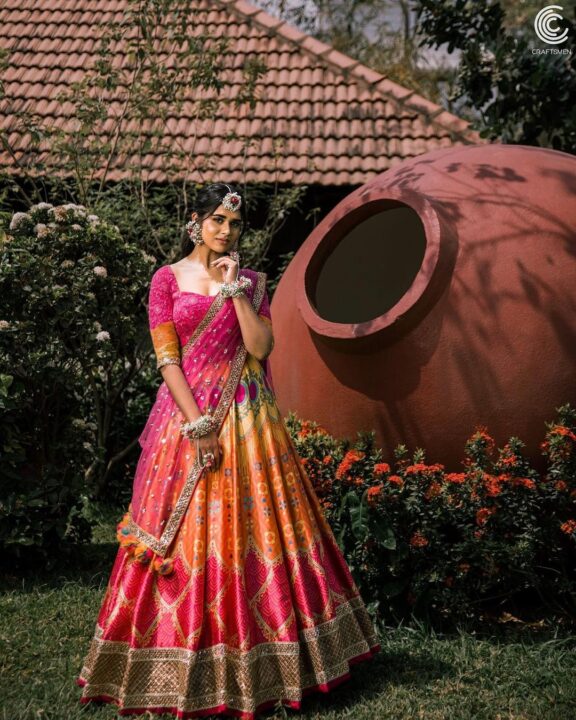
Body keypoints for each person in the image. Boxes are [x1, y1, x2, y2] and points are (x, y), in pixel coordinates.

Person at [76, 183, 380, 718]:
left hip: (250, 418)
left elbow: (260, 348)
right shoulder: (166, 280)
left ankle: (282, 661)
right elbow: (168, 361)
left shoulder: (252, 282)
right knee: (184, 533)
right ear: (195, 220)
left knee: (260, 529)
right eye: (217, 219)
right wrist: (199, 428)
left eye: (235, 225)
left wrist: (235, 290)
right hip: (190, 418)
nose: (227, 231)